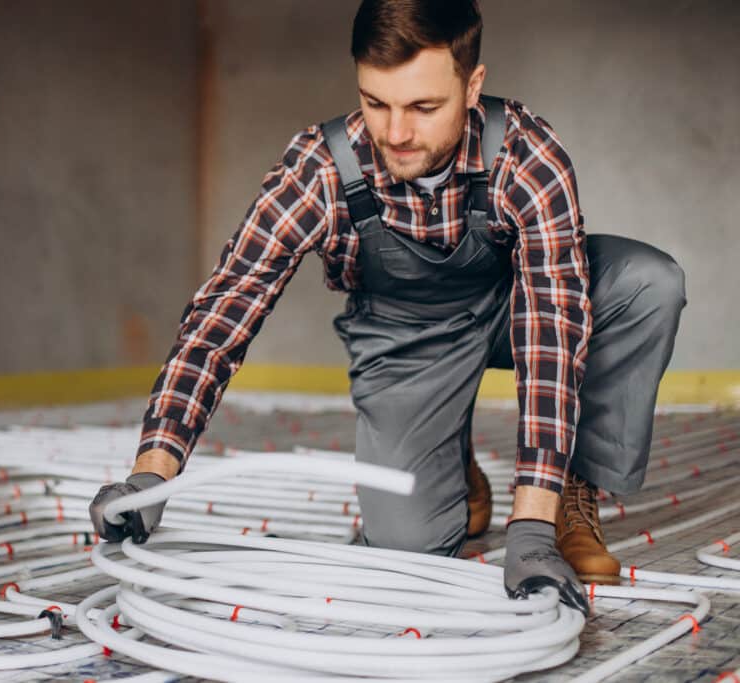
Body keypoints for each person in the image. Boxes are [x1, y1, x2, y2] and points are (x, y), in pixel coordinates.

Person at [89, 0, 685, 615]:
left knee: (646, 282)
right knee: (405, 548)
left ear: (472, 86)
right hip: (407, 338)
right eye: (377, 103)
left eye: (423, 107)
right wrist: (152, 474)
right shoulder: (320, 168)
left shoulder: (526, 155)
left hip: (517, 308)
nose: (395, 133)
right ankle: (452, 465)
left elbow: (552, 329)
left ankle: (569, 497)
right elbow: (224, 313)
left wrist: (531, 520)